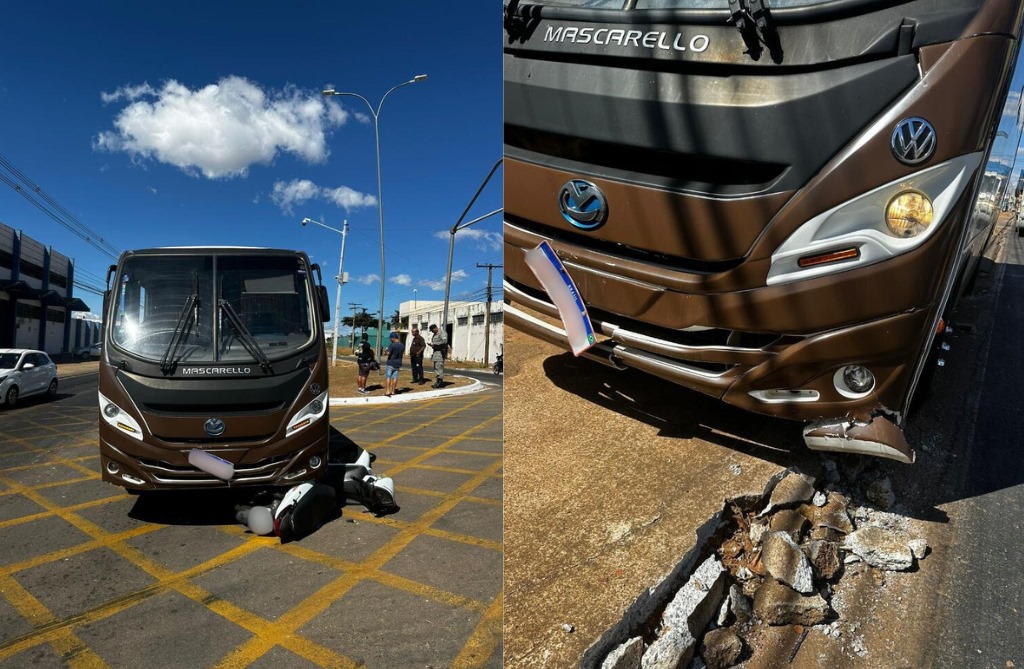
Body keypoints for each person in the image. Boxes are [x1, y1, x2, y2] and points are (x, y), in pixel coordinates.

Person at [384, 331, 405, 397]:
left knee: (388, 377)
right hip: (398, 363)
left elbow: (388, 353)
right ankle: (393, 391)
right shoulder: (402, 345)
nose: (390, 339)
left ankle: (387, 391)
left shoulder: (392, 345)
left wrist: (385, 351)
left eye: (390, 338)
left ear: (393, 338)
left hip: (390, 363)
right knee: (395, 377)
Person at [429, 323, 448, 388]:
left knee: (439, 367)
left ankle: (440, 382)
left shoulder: (442, 333)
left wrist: (435, 344)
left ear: (435, 328)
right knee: (436, 367)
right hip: (436, 353)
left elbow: (444, 342)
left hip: (440, 353)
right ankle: (438, 381)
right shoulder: (435, 334)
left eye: (432, 330)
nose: (432, 332)